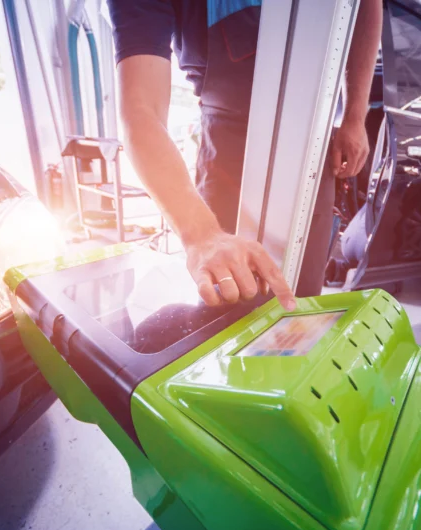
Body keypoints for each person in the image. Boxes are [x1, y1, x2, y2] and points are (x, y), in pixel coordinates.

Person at [107, 0, 382, 310]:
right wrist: (202, 234)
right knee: (226, 301)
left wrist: (356, 116)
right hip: (227, 142)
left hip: (313, 141)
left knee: (299, 299)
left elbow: (367, 5)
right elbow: (141, 110)